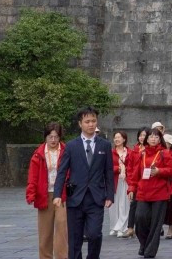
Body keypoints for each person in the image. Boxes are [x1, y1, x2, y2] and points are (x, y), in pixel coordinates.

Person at [53, 106, 116, 259]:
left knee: (94, 234)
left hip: (96, 197)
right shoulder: (71, 146)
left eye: (93, 121)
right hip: (75, 197)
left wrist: (110, 195)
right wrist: (57, 194)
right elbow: (62, 171)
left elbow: (108, 171)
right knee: (74, 238)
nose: (91, 124)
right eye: (87, 121)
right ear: (80, 124)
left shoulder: (105, 145)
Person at [128, 127, 172, 258]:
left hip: (160, 193)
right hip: (143, 193)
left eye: (156, 137)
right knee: (140, 219)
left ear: (160, 139)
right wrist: (131, 188)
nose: (153, 139)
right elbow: (135, 174)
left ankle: (150, 251)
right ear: (146, 139)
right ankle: (144, 243)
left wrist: (159, 171)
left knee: (156, 224)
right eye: (151, 136)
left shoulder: (165, 153)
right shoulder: (142, 153)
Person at [26, 123, 67, 259]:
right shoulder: (38, 154)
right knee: (45, 232)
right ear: (45, 137)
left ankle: (62, 257)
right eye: (50, 137)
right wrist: (31, 193)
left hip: (62, 194)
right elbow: (33, 176)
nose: (53, 140)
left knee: (62, 228)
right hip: (44, 194)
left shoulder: (66, 151)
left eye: (56, 137)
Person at [123, 128, 148, 239]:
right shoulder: (134, 150)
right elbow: (130, 167)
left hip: (147, 183)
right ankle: (130, 228)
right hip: (135, 182)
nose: (142, 137)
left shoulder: (151, 150)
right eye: (140, 135)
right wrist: (130, 183)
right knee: (133, 204)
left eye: (144, 135)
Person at [108, 131, 131, 237]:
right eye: (115, 137)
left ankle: (122, 226)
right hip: (114, 180)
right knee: (113, 204)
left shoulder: (130, 152)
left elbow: (133, 166)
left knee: (124, 204)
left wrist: (126, 169)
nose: (116, 139)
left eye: (119, 137)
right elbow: (106, 168)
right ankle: (114, 226)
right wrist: (118, 169)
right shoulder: (110, 152)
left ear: (124, 139)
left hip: (126, 180)